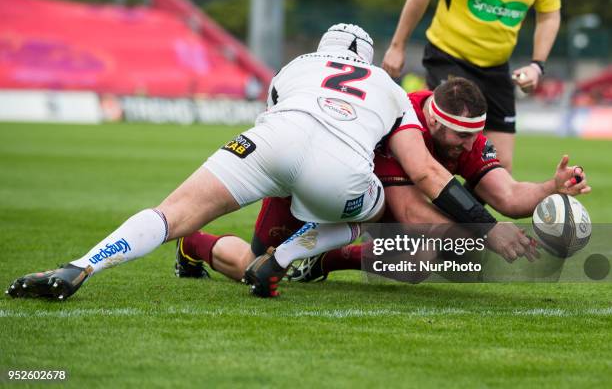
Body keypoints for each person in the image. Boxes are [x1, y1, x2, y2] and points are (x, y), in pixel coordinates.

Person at [6, 24, 531, 301]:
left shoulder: (295, 64)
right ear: (364, 60)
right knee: (372, 211)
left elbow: (279, 112)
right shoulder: (388, 88)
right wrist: (486, 230)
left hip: (268, 143)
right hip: (340, 173)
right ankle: (283, 259)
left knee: (170, 212)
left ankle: (82, 265)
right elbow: (424, 174)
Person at [174, 79, 588, 285]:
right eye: (461, 136)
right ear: (432, 119)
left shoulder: (466, 136)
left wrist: (552, 188)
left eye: (473, 136)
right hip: (311, 192)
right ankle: (193, 244)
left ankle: (324, 260)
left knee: (423, 259)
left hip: (365, 202)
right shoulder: (400, 121)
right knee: (257, 268)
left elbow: (508, 195)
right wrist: (485, 233)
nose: (468, 146)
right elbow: (410, 211)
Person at [381, 0, 561, 172]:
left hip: (496, 68)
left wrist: (537, 66)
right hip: (449, 56)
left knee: (499, 164)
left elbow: (549, 15)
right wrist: (397, 46)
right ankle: (406, 196)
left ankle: (466, 203)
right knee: (441, 145)